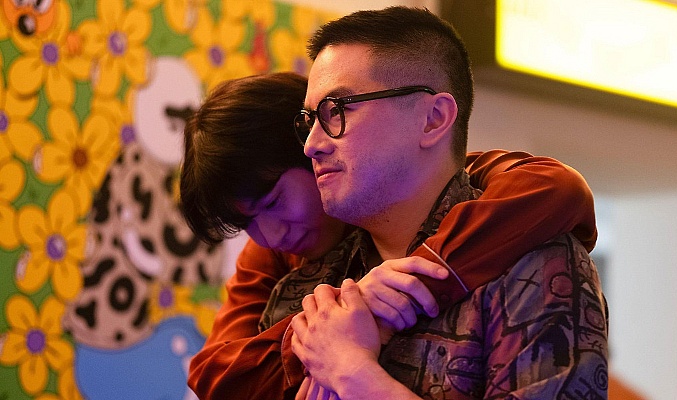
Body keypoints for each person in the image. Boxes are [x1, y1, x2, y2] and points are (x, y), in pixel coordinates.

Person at [180, 72, 597, 398]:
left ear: (312, 151)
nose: (269, 235)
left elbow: (556, 188)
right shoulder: (276, 252)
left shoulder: (452, 191)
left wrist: (416, 281)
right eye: (247, 223)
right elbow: (215, 374)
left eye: (273, 201)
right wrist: (338, 318)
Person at [280, 6, 608, 399]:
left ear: (434, 118)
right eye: (309, 120)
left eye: (337, 110)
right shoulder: (308, 282)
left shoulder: (533, 266)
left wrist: (353, 376)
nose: (312, 144)